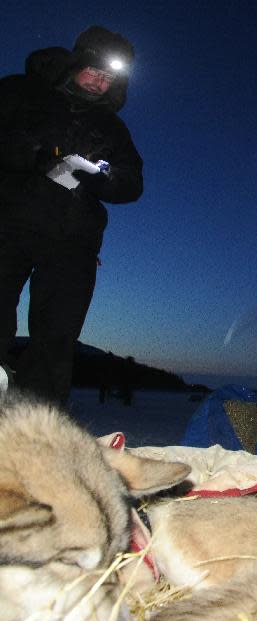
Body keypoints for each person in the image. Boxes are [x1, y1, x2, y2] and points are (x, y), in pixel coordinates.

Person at [0, 26, 143, 406]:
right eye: (95, 71)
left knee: (57, 338)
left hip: (73, 241)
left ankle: (38, 426)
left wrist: (100, 177)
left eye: (109, 77)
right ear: (77, 61)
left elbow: (132, 183)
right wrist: (34, 154)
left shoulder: (112, 126)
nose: (100, 82)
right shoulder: (20, 91)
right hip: (9, 222)